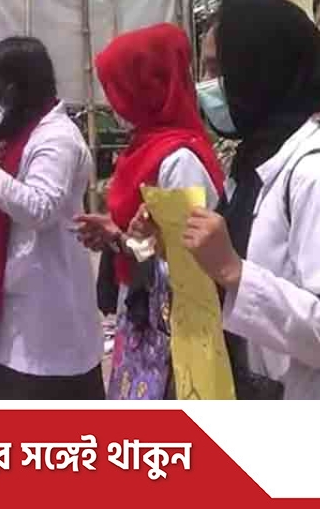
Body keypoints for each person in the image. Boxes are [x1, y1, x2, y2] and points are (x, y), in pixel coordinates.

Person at [169, 0, 320, 400]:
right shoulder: (253, 160)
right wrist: (176, 244)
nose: (205, 86)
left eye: (216, 70)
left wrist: (234, 271)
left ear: (258, 71)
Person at [76, 23, 225, 400]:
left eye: (118, 89)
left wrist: (123, 240)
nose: (113, 103)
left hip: (174, 338)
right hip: (145, 318)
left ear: (145, 87)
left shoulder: (178, 161)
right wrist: (117, 236)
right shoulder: (146, 148)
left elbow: (186, 267)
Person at [0, 36, 102, 400]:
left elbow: (41, 208)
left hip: (47, 300)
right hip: (17, 294)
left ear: (12, 87)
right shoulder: (22, 128)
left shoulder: (57, 138)